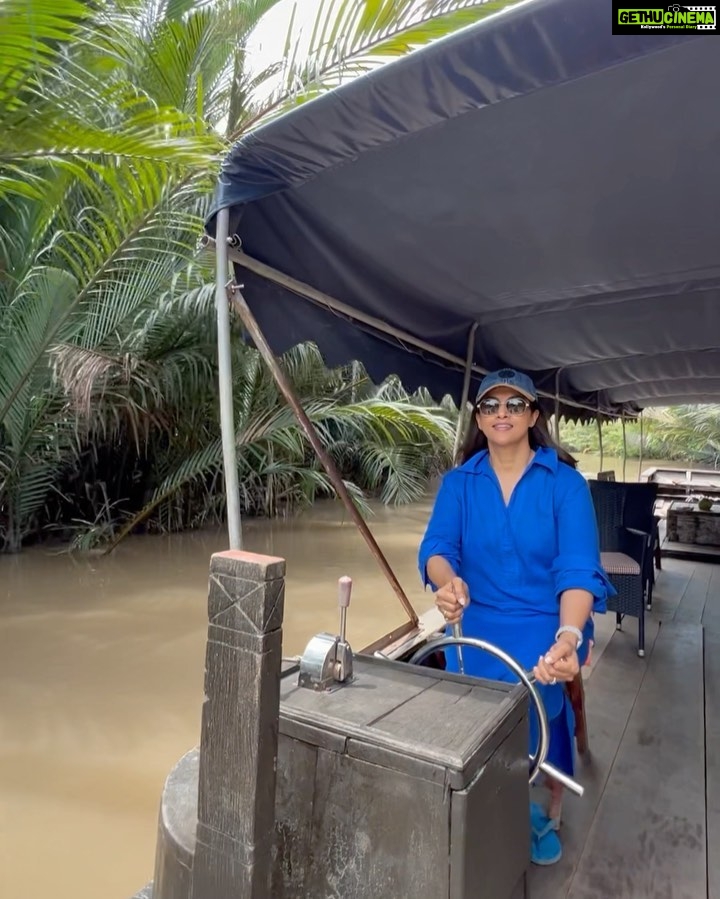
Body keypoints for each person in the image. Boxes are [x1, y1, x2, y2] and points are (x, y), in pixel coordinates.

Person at [418, 368, 614, 866]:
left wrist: (569, 636)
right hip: (476, 622)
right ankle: (483, 800)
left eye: (513, 404)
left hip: (549, 622)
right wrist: (447, 584)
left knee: (540, 698)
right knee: (469, 715)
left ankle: (545, 804)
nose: (501, 413)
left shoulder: (565, 484)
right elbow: (437, 549)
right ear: (479, 420)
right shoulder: (459, 483)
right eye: (490, 405)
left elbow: (577, 570)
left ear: (532, 415)